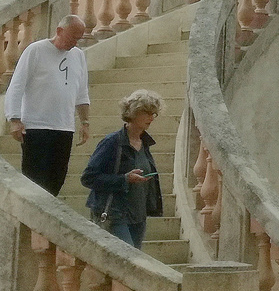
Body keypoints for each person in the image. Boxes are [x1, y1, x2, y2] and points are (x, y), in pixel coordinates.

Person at [4, 15, 91, 194]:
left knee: (56, 180)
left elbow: (82, 93)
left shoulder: (78, 56)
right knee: (35, 180)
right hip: (36, 127)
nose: (74, 43)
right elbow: (17, 86)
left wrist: (85, 122)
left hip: (64, 127)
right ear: (59, 31)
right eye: (71, 37)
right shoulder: (36, 50)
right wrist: (14, 119)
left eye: (78, 39)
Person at [81, 89, 164, 250]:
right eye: (147, 112)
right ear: (133, 112)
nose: (151, 118)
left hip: (139, 216)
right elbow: (88, 178)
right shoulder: (112, 142)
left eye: (154, 113)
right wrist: (124, 179)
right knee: (127, 259)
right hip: (115, 214)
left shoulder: (144, 143)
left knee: (133, 264)